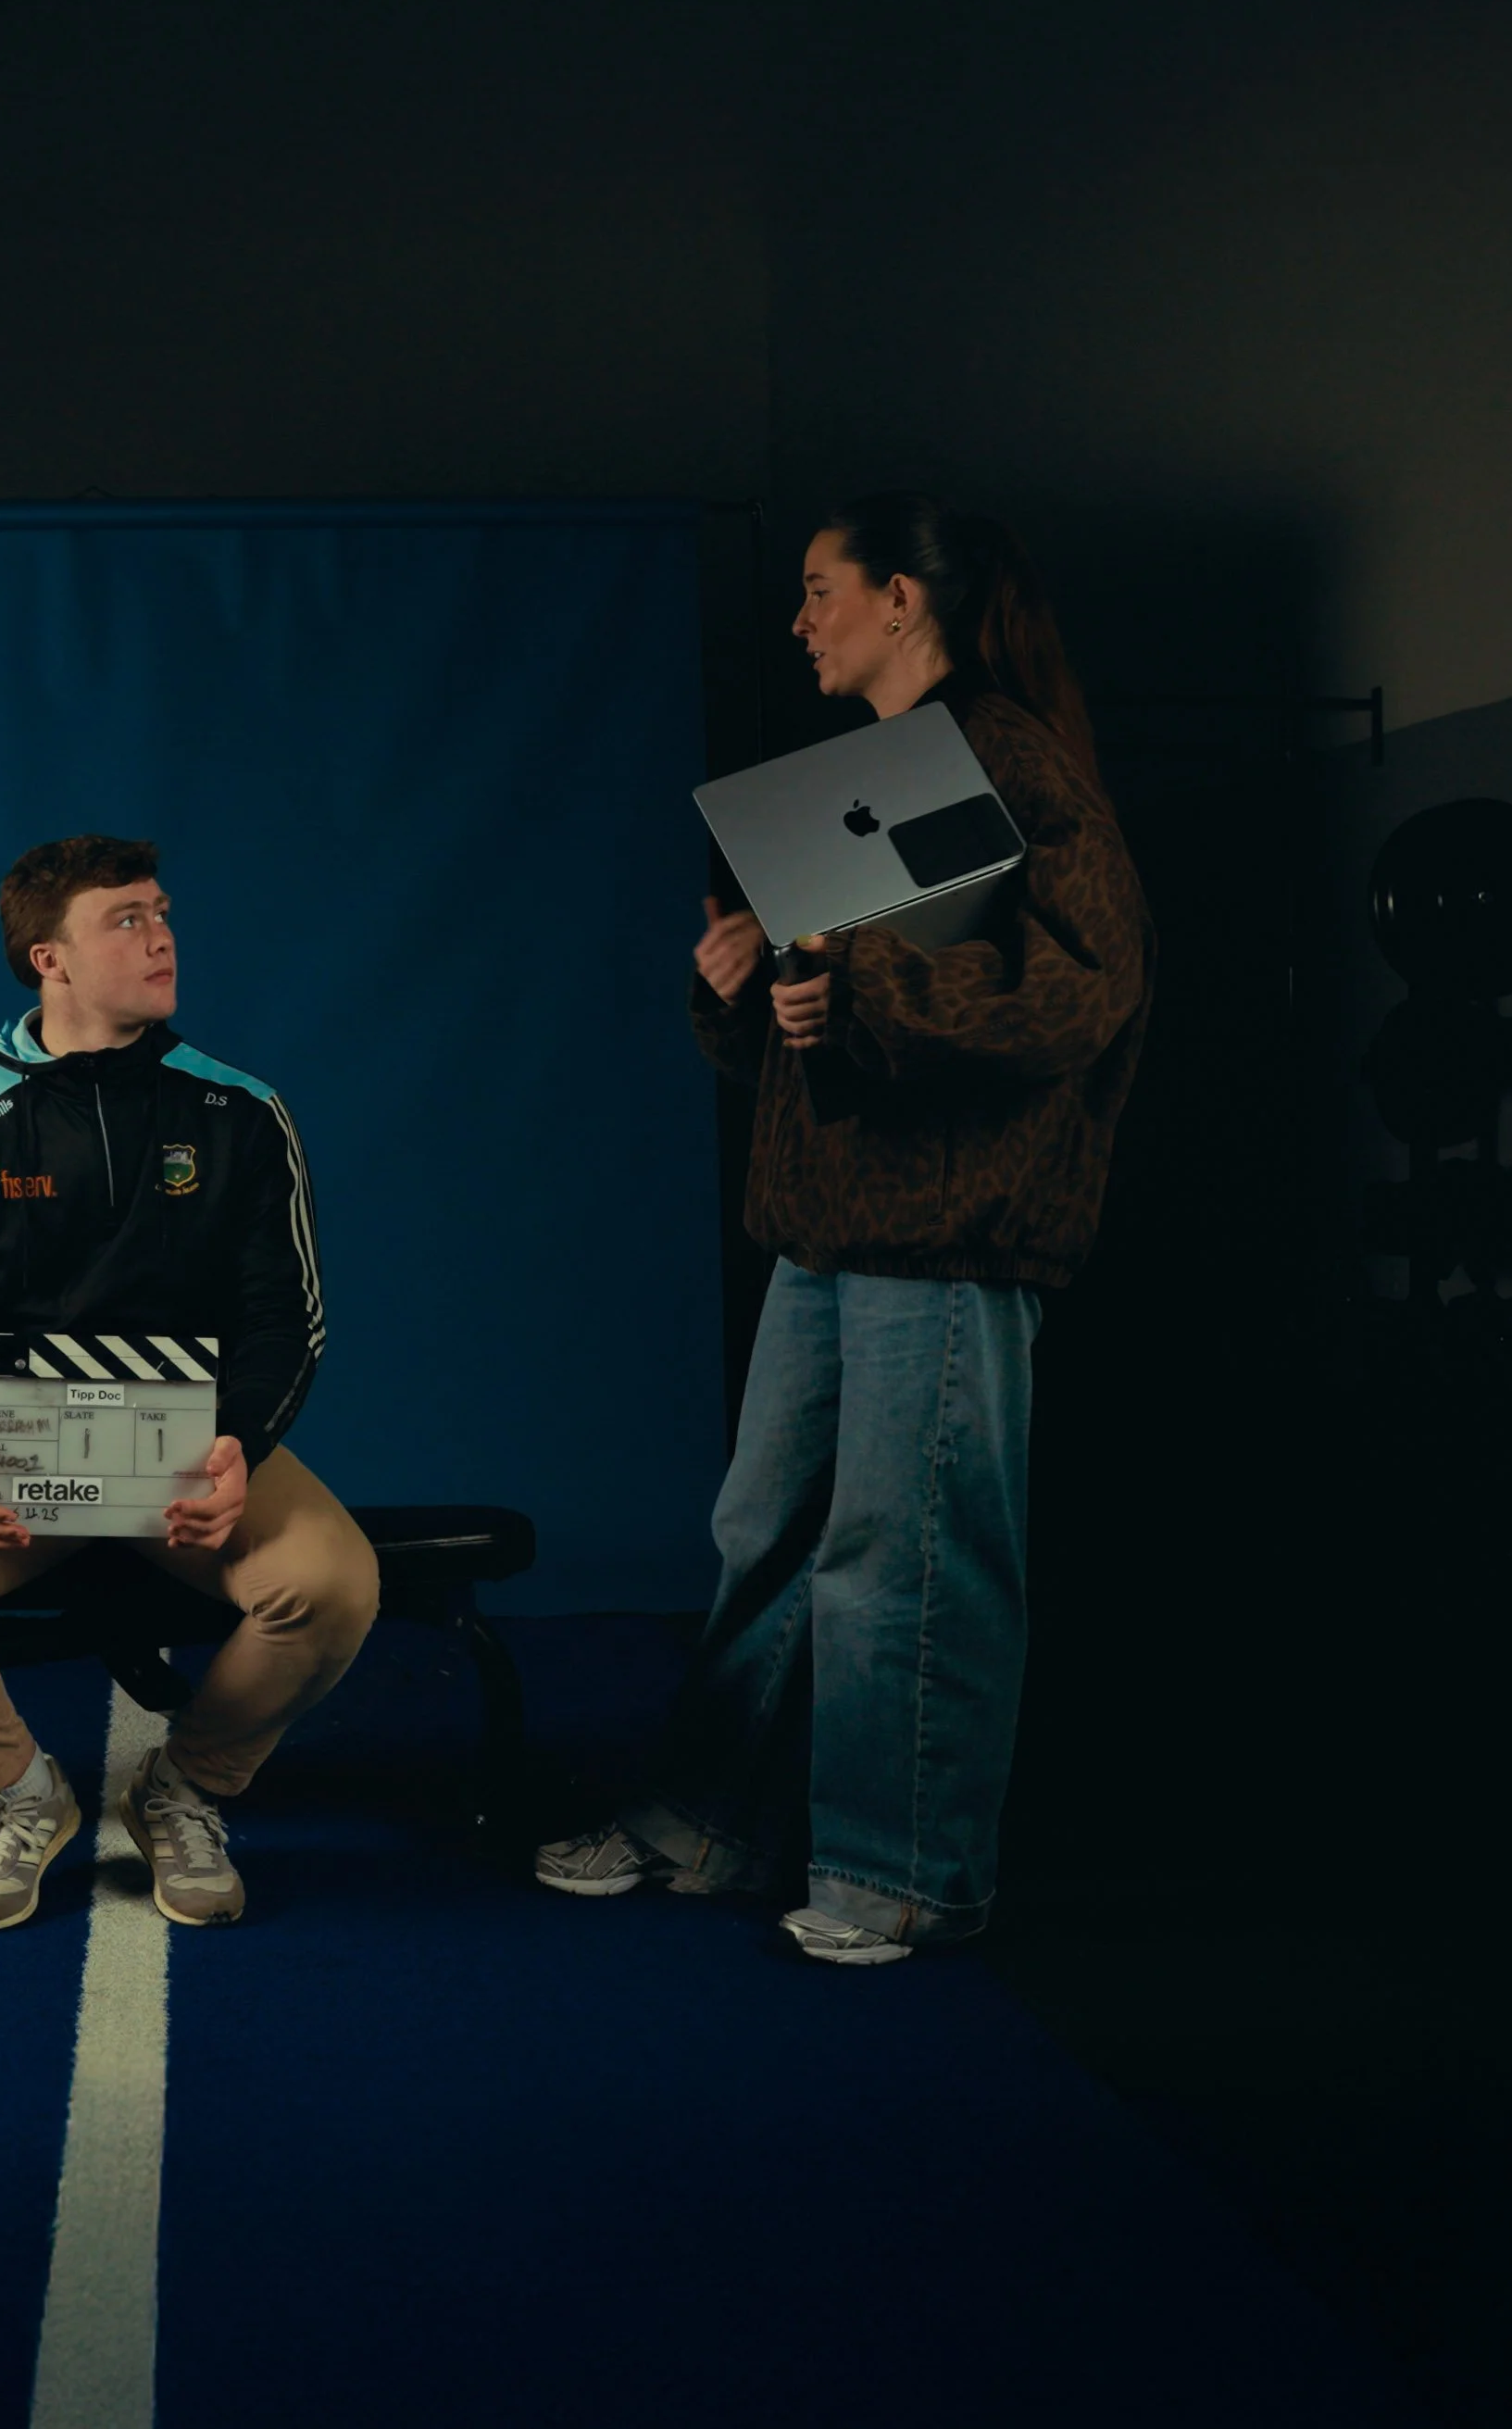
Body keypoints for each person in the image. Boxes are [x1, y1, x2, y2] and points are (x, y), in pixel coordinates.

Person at [535, 494, 1155, 1964]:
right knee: (768, 1532)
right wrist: (755, 982)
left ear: (900, 599)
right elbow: (828, 1029)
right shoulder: (855, 778)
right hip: (825, 1226)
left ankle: (902, 1872)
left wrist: (866, 987)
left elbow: (1085, 990)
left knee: (909, 1549)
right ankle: (711, 1822)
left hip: (947, 1234)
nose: (801, 619)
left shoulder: (1008, 754)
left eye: (821, 591)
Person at [0, 833, 378, 1932]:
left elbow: (290, 1314)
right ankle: (20, 1793)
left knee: (332, 1586)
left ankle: (187, 1786)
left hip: (184, 1451)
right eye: (125, 917)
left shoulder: (239, 1110)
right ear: (50, 959)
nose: (161, 932)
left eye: (162, 909)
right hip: (18, 1447)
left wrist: (240, 1448)